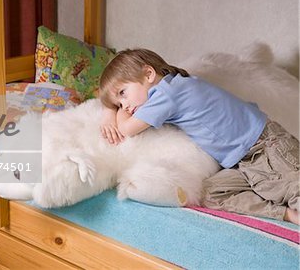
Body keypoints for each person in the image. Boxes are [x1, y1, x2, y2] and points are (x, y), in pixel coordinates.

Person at [99, 48, 299, 224]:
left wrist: (109, 111)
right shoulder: (174, 87)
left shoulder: (167, 94)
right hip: (244, 160)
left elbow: (126, 129)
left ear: (148, 74)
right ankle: (285, 214)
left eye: (123, 93)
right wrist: (113, 103)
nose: (124, 106)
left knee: (293, 188)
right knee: (211, 194)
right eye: (118, 104)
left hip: (264, 145)